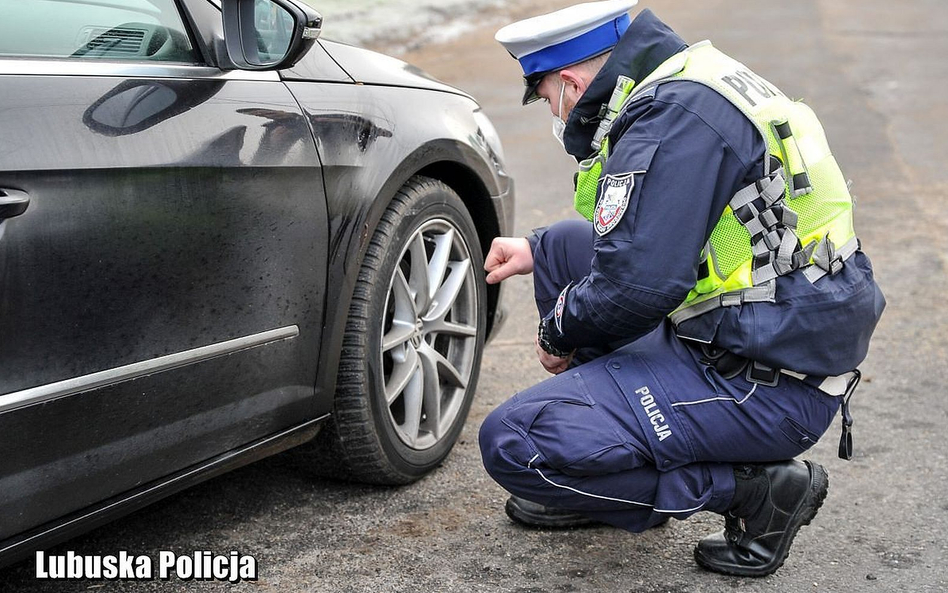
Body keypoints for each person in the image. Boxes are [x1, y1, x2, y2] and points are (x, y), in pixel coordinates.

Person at [479, 0, 886, 577]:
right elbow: (649, 234)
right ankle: (604, 469)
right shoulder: (691, 81)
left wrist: (558, 329)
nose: (554, 110)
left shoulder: (673, 120)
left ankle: (753, 490)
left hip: (767, 382)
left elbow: (637, 286)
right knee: (564, 245)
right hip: (766, 333)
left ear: (569, 81)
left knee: (515, 444)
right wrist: (537, 250)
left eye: (546, 96)